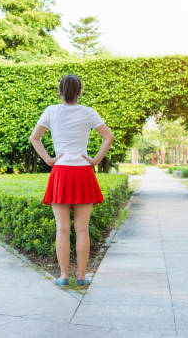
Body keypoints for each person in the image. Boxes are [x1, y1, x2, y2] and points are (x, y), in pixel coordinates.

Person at [29, 74, 114, 287]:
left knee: (62, 228)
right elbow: (109, 137)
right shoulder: (88, 112)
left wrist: (48, 159)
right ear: (79, 92)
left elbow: (34, 138)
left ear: (59, 92)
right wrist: (95, 159)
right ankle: (82, 276)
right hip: (83, 172)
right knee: (82, 229)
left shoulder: (51, 111)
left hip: (61, 172)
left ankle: (64, 275)